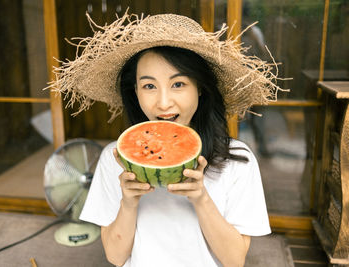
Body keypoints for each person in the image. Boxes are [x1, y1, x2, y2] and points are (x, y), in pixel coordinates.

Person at [50, 11, 284, 267]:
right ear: (135, 92)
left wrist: (201, 198)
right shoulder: (115, 159)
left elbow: (235, 260)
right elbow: (115, 257)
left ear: (201, 88)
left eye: (178, 84)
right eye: (149, 86)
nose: (163, 103)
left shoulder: (238, 161)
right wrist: (128, 204)